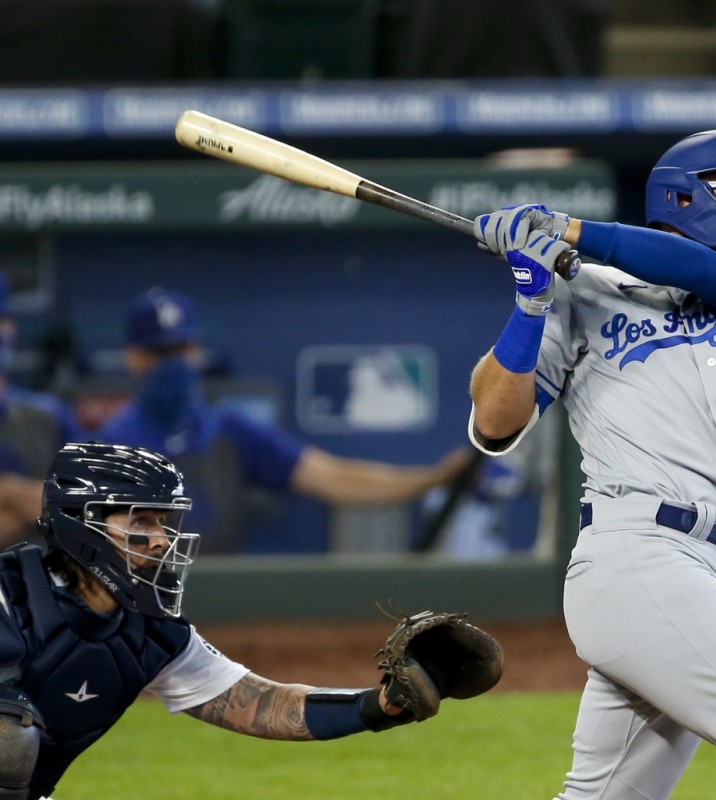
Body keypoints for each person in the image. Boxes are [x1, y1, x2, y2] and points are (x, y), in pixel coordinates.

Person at [469, 130, 716, 798]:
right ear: (683, 194)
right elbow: (493, 422)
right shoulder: (583, 290)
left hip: (708, 566)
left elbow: (698, 272)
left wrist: (568, 229)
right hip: (636, 555)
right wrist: (529, 302)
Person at [0, 441, 490, 800]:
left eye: (163, 523)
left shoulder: (149, 629)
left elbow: (256, 703)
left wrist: (378, 705)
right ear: (80, 523)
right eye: (139, 522)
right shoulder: (9, 592)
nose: (159, 540)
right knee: (9, 731)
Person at [96, 287, 473, 553]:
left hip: (225, 605)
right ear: (134, 358)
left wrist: (433, 478)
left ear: (196, 352)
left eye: (181, 349)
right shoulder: (108, 445)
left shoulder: (228, 430)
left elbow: (336, 477)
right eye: (160, 352)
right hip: (138, 602)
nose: (173, 362)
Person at [0, 273, 83, 548]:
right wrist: (31, 501)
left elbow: (85, 511)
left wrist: (8, 490)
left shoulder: (50, 418)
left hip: (41, 584)